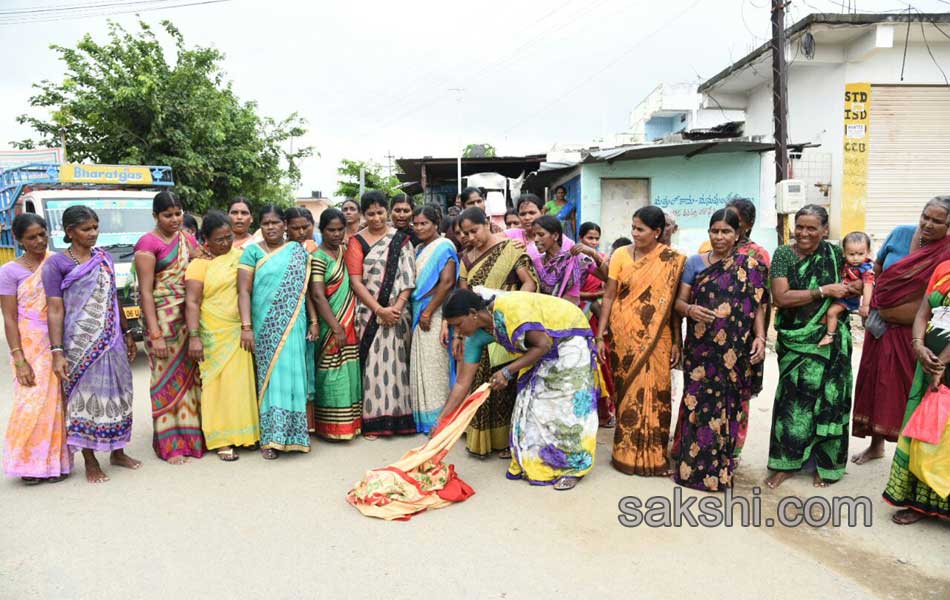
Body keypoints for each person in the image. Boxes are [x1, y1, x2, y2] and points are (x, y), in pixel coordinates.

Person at [439, 289, 600, 491]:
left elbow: (543, 344)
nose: (458, 333)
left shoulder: (510, 311)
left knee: (565, 408)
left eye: (458, 325)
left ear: (473, 313)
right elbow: (463, 383)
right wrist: (442, 420)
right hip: (543, 346)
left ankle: (573, 467)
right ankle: (541, 459)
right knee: (533, 407)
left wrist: (507, 371)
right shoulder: (476, 337)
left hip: (568, 337)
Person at [670, 209, 769, 491]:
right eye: (715, 231)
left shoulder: (749, 266)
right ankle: (690, 470)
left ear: (737, 234)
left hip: (734, 353)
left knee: (728, 408)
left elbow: (757, 306)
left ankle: (720, 471)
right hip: (701, 350)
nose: (719, 237)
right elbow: (678, 303)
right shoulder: (695, 264)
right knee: (695, 406)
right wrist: (690, 309)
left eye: (726, 231)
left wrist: (760, 337)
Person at [44, 206, 139, 483]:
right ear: (70, 232)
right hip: (79, 343)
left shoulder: (103, 258)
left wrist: (128, 331)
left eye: (95, 227)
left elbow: (114, 298)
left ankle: (118, 451)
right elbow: (54, 309)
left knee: (120, 393)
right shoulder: (57, 264)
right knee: (84, 401)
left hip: (112, 340)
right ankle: (90, 460)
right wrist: (57, 350)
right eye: (86, 229)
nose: (93, 233)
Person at [853, 197, 950, 465]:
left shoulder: (946, 252)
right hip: (881, 328)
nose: (928, 224)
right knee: (878, 386)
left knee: (910, 393)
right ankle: (876, 445)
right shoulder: (900, 233)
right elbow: (878, 270)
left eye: (937, 221)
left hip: (916, 334)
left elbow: (936, 300)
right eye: (925, 217)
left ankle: (910, 459)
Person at [765, 205, 854, 489]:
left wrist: (848, 293)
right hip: (796, 340)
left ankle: (827, 466)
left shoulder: (835, 254)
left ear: (825, 230)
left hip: (831, 341)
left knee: (830, 400)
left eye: (811, 228)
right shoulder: (783, 255)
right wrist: (823, 291)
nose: (803, 233)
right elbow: (781, 296)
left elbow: (857, 282)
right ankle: (785, 463)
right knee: (793, 402)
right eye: (799, 226)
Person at [597, 206, 686, 476]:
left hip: (659, 336)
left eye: (640, 229)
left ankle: (655, 457)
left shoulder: (673, 260)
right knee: (626, 394)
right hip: (623, 333)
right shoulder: (620, 256)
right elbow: (609, 296)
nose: (634, 233)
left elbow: (670, 307)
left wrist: (676, 342)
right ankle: (623, 454)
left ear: (657, 232)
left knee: (657, 393)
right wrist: (601, 334)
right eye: (633, 228)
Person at [457, 207, 539, 458]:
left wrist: (509, 306)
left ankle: (507, 441)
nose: (470, 237)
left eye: (474, 230)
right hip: (477, 325)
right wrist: (460, 335)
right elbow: (463, 296)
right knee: (479, 381)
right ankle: (481, 439)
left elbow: (530, 282)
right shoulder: (466, 258)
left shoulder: (511, 249)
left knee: (505, 382)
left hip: (506, 324)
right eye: (464, 233)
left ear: (488, 224)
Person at [134, 191, 204, 463]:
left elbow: (203, 261)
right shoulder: (147, 244)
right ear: (155, 216)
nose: (175, 219)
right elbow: (146, 293)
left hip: (188, 318)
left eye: (178, 213)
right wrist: (154, 333)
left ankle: (192, 438)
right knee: (165, 381)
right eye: (168, 215)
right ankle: (170, 444)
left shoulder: (186, 239)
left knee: (190, 379)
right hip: (162, 320)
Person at [184, 211, 260, 461]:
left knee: (240, 384)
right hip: (212, 333)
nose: (225, 243)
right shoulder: (198, 266)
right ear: (205, 239)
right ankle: (222, 440)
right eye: (219, 239)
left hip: (237, 329)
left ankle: (245, 435)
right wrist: (194, 337)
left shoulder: (241, 258)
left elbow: (245, 292)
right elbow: (193, 302)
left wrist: (247, 326)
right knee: (215, 386)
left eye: (228, 238)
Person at [238, 204, 311, 458]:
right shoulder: (251, 253)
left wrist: (312, 321)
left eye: (275, 222)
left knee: (293, 373)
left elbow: (308, 291)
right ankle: (270, 438)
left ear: (285, 225)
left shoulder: (298, 251)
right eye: (266, 223)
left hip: (294, 321)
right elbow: (244, 292)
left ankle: (295, 435)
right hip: (263, 325)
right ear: (260, 226)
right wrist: (246, 326)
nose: (271, 227)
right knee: (268, 379)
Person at [1, 215, 71, 483]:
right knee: (30, 402)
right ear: (19, 240)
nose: (40, 241)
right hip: (29, 343)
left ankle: (55, 464)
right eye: (32, 237)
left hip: (56, 338)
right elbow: (9, 317)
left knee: (56, 403)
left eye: (42, 234)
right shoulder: (9, 272)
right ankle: (27, 464)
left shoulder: (56, 261)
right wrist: (18, 357)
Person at [882, 259, 950, 524]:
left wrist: (941, 363)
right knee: (923, 430)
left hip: (940, 365)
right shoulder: (943, 268)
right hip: (929, 363)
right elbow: (924, 312)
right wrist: (919, 345)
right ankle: (917, 502)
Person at [345, 190, 417, 438]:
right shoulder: (357, 241)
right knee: (373, 364)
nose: (376, 218)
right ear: (363, 215)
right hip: (369, 313)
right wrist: (379, 310)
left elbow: (408, 277)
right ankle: (374, 421)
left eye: (380, 212)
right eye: (370, 213)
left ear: (387, 212)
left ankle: (399, 418)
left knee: (397, 363)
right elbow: (355, 281)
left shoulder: (401, 239)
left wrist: (397, 307)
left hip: (398, 312)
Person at [310, 208, 362, 440]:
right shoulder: (318, 257)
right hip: (330, 322)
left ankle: (351, 424)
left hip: (350, 319)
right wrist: (336, 327)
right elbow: (318, 295)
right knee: (331, 371)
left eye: (340, 229)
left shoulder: (345, 251)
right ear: (322, 231)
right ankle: (331, 428)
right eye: (331, 230)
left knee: (349, 369)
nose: (336, 234)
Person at [409, 205, 458, 434]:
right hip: (419, 309)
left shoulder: (444, 246)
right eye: (416, 224)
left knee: (436, 367)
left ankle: (441, 420)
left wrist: (428, 311)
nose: (419, 228)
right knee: (424, 366)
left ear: (436, 224)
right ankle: (426, 419)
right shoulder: (420, 247)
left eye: (424, 223)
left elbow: (447, 283)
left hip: (435, 312)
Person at [574, 222, 615, 427]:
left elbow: (611, 283)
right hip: (578, 315)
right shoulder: (575, 259)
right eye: (589, 238)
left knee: (600, 365)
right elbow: (569, 290)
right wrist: (593, 295)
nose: (594, 242)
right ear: (580, 238)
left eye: (596, 238)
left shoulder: (601, 261)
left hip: (596, 317)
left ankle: (604, 412)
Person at [285, 207, 321, 431]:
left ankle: (308, 424)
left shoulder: (313, 249)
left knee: (307, 367)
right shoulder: (279, 251)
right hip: (283, 316)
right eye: (295, 227)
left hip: (309, 315)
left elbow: (308, 290)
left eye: (305, 227)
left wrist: (314, 320)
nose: (300, 232)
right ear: (285, 227)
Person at [820, 232, 874, 347]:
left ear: (868, 252)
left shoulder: (865, 269)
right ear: (844, 253)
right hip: (843, 295)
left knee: (831, 312)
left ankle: (829, 336)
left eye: (860, 254)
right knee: (828, 314)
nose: (856, 258)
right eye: (851, 254)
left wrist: (865, 305)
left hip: (850, 299)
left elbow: (868, 286)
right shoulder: (845, 264)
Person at [531, 215, 589, 305]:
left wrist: (593, 253)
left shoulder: (575, 257)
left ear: (555, 236)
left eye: (541, 235)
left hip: (570, 313)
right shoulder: (536, 262)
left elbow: (605, 275)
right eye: (534, 235)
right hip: (546, 313)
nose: (535, 239)